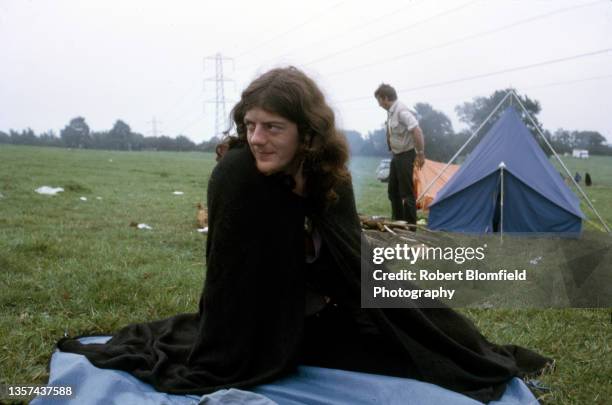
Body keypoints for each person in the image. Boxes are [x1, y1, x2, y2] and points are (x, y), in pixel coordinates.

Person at [57, 67, 551, 403]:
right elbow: (229, 278)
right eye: (250, 125)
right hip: (257, 323)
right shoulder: (238, 174)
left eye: (272, 127)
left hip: (323, 306)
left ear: (307, 133)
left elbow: (352, 263)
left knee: (422, 341)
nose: (256, 138)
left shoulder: (328, 176)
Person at [374, 84, 425, 226]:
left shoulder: (401, 111)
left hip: (406, 156)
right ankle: (398, 222)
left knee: (407, 194)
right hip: (396, 156)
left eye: (379, 100)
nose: (379, 104)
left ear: (385, 98)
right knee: (392, 192)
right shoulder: (391, 112)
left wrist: (420, 154)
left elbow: (417, 131)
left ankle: (410, 227)